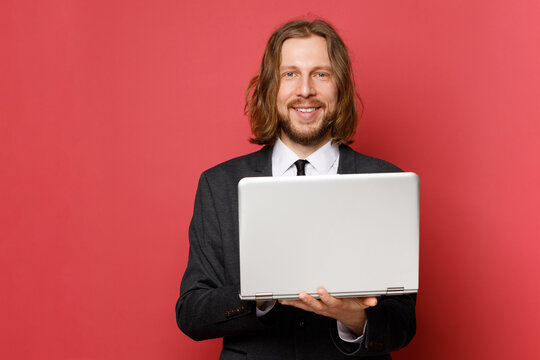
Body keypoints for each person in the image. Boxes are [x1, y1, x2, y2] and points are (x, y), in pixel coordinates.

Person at [175, 19, 416, 359]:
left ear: (341, 87)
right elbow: (191, 313)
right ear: (271, 87)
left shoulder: (388, 182)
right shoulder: (219, 185)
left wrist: (354, 318)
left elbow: (403, 324)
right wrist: (259, 295)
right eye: (290, 74)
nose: (305, 90)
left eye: (321, 74)